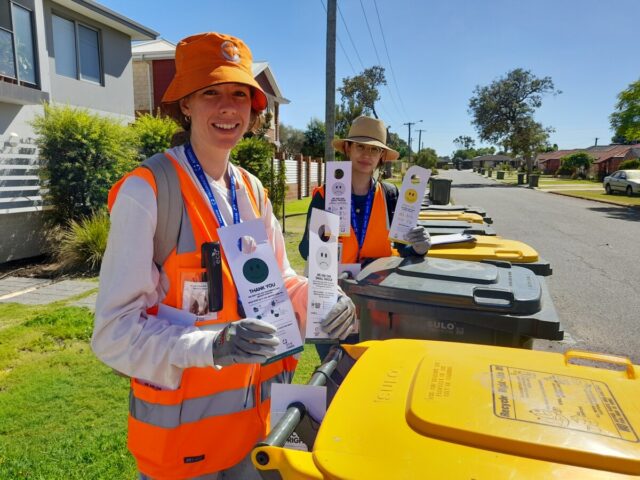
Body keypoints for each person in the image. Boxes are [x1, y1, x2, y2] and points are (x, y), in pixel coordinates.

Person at [92, 32, 355, 480]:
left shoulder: (252, 190)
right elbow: (114, 333)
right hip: (181, 449)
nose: (228, 107)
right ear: (186, 104)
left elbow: (282, 281)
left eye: (239, 94)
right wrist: (213, 345)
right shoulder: (148, 191)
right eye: (210, 92)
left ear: (254, 111)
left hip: (254, 435)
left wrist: (324, 299)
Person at [298, 116, 431, 359]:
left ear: (382, 156)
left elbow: (406, 249)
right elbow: (306, 251)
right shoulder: (324, 195)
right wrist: (323, 229)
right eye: (360, 146)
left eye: (374, 149)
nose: (366, 154)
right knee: (335, 373)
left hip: (378, 306)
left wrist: (420, 247)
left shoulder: (391, 195)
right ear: (348, 148)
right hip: (334, 305)